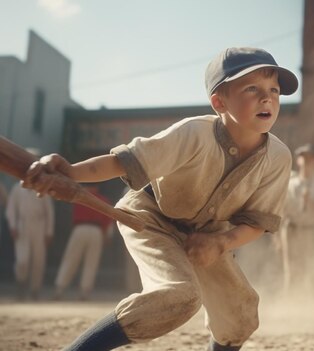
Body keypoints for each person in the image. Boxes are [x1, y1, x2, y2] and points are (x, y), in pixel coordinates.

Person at [23, 47, 298, 351]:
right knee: (178, 296)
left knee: (241, 313)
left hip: (209, 234)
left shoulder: (278, 157)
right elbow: (121, 162)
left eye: (274, 90)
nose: (267, 98)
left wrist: (220, 243)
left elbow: (257, 221)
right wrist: (70, 173)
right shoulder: (193, 133)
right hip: (151, 219)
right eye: (252, 88)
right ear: (219, 102)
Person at [5, 148, 55, 301]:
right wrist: (13, 226)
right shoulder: (17, 188)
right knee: (22, 260)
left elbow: (49, 212)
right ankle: (21, 286)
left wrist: (48, 232)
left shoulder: (43, 187)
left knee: (38, 260)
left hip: (38, 226)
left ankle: (35, 290)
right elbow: (11, 209)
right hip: (22, 226)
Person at [280, 143, 314, 293]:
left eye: (311, 158)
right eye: (304, 157)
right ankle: (291, 299)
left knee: (312, 265)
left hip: (310, 230)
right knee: (292, 267)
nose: (307, 161)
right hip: (291, 229)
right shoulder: (289, 184)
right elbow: (282, 209)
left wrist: (309, 201)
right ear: (299, 160)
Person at [54, 185, 114, 300]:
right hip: (96, 231)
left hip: (80, 229)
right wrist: (107, 236)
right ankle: (84, 292)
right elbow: (109, 220)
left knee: (70, 259)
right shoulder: (103, 200)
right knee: (92, 261)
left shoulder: (80, 197)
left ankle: (60, 289)